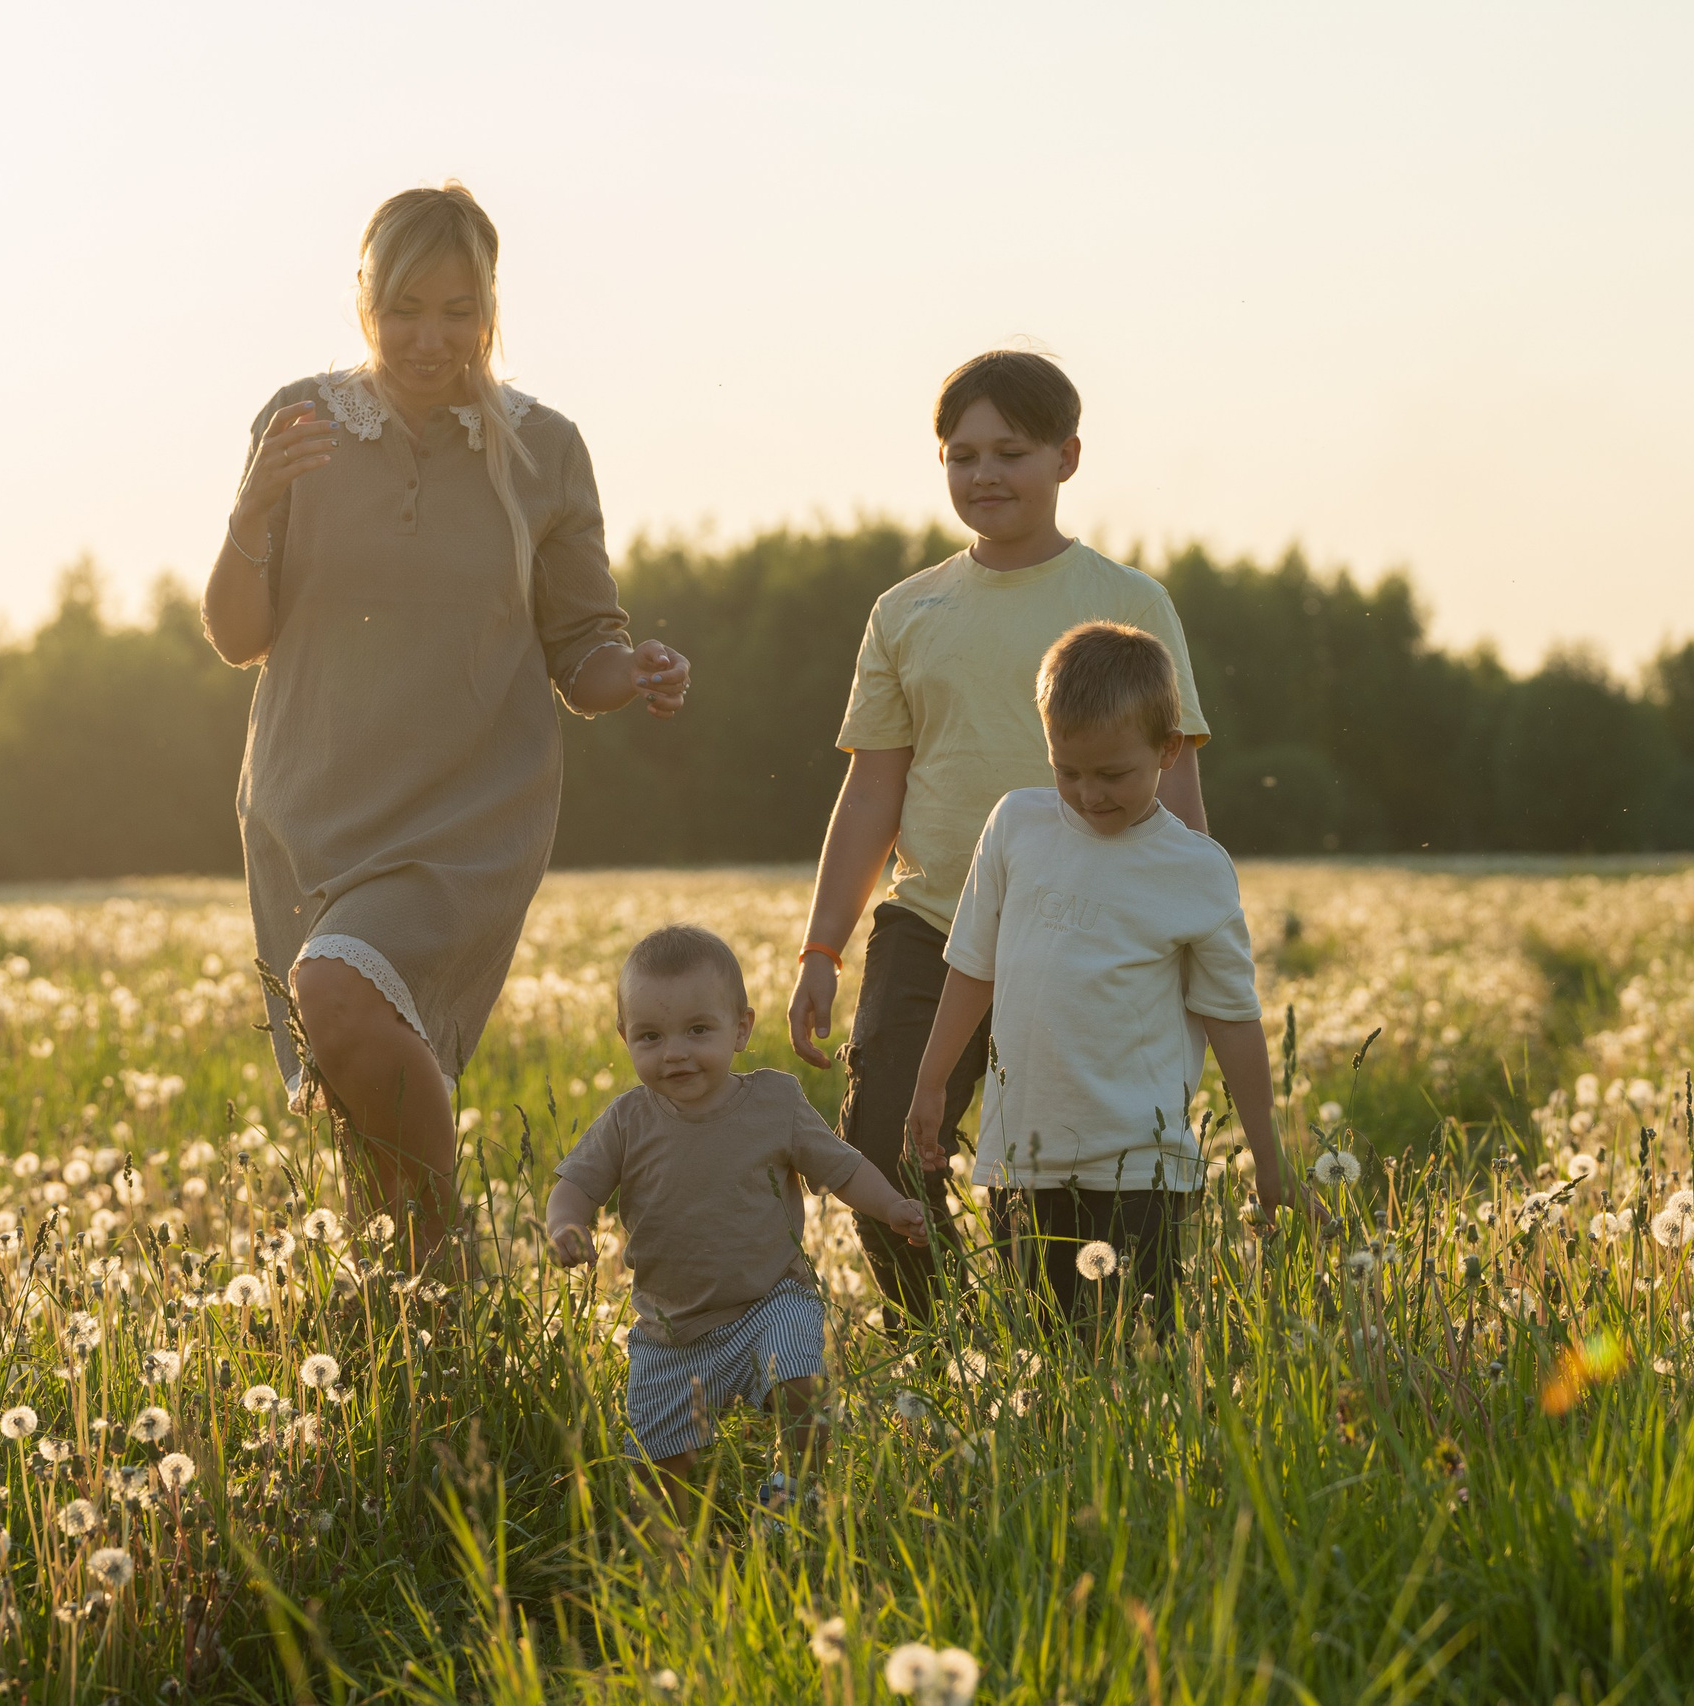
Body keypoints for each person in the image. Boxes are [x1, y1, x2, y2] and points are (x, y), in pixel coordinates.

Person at [202, 182, 691, 1262]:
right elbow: (238, 634)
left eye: (459, 309)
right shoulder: (300, 419)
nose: (433, 337)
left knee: (336, 986)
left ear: (491, 307)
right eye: (406, 306)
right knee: (347, 1066)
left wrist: (634, 668)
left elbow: (581, 651)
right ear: (364, 300)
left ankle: (445, 1257)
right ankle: (407, 1309)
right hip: (307, 803)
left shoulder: (543, 446)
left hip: (470, 808)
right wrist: (247, 514)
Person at [784, 350, 1210, 1329]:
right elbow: (871, 787)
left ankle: (1082, 1361)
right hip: (929, 921)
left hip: (1088, 933)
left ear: (1066, 456)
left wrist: (1187, 930)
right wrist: (821, 946)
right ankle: (937, 1346)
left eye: (1009, 452)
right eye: (961, 453)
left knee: (1064, 1173)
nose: (984, 474)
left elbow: (1176, 770)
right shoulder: (904, 611)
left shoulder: (1131, 600)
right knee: (883, 1140)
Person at [904, 622, 1293, 1325]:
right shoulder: (1016, 826)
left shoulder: (1196, 869)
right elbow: (972, 968)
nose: (1087, 793)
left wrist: (1269, 1160)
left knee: (1139, 1358)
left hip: (1142, 1169)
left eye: (1113, 774)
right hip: (1023, 1158)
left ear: (1169, 750)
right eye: (1067, 769)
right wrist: (931, 1084)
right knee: (1044, 1360)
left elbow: (1232, 1019)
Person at [547, 926, 928, 1507]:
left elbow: (844, 1167)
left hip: (770, 1299)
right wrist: (565, 1226)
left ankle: (795, 1493)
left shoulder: (775, 1103)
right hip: (670, 1332)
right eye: (650, 1036)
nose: (675, 1052)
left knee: (802, 1385)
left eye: (698, 1030)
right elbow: (574, 1186)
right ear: (624, 1038)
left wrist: (892, 1205)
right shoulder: (628, 1121)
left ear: (742, 1029)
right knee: (660, 1479)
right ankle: (680, 1556)